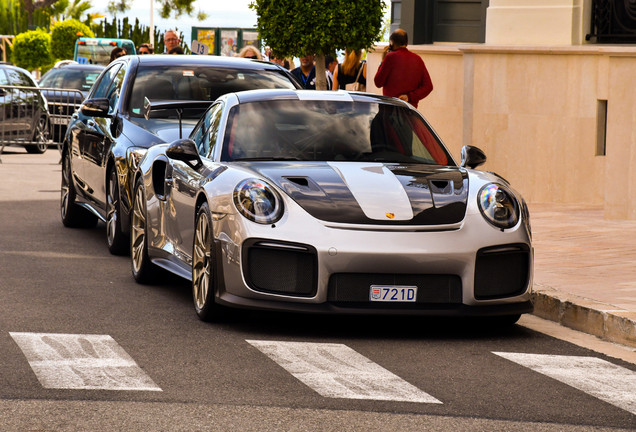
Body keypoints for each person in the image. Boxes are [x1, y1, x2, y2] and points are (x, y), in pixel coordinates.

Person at [374, 29, 433, 108]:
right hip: (410, 111)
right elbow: (428, 87)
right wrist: (409, 97)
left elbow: (378, 82)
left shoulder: (390, 57)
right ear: (407, 43)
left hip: (390, 109)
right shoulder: (418, 59)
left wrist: (382, 60)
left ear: (392, 43)